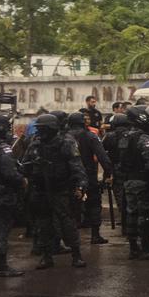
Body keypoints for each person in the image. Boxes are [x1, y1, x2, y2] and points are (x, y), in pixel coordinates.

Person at [24, 113, 88, 269]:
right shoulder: (36, 144)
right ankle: (46, 256)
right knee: (43, 224)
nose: (41, 132)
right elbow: (26, 165)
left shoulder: (66, 142)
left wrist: (80, 186)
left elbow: (76, 166)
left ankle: (76, 255)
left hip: (61, 189)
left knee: (68, 223)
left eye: (44, 129)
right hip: (41, 190)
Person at [118, 106, 149, 260]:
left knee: (132, 212)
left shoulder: (125, 136)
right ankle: (146, 248)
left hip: (128, 180)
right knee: (146, 214)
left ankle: (133, 247)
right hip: (143, 180)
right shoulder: (144, 138)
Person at [0, 112, 25, 277]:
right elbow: (10, 174)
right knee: (1, 229)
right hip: (3, 194)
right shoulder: (3, 148)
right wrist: (22, 180)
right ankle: (1, 266)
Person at [66, 111, 112, 245]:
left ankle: (71, 239)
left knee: (70, 208)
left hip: (69, 176)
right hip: (88, 175)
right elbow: (102, 156)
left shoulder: (64, 137)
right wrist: (107, 173)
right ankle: (95, 235)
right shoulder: (90, 136)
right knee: (94, 204)